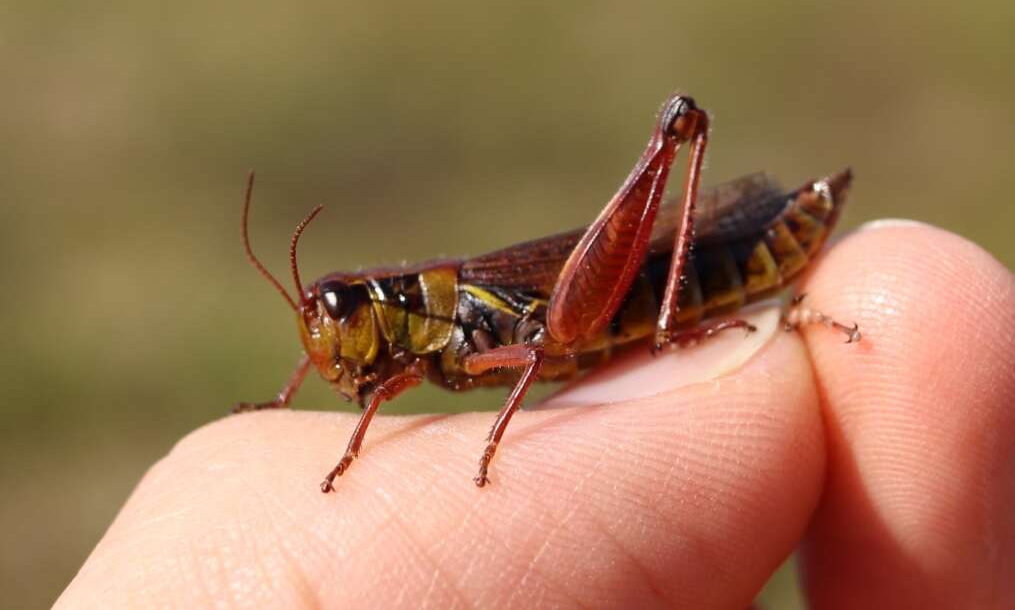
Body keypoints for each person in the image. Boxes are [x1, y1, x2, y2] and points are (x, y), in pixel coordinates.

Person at [56, 222, 1015, 608]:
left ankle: (690, 319)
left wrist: (493, 451)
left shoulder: (448, 318)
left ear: (388, 304)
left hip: (604, 297)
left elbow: (534, 352)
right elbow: (374, 383)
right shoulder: (396, 354)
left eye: (342, 313)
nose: (333, 340)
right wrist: (279, 406)